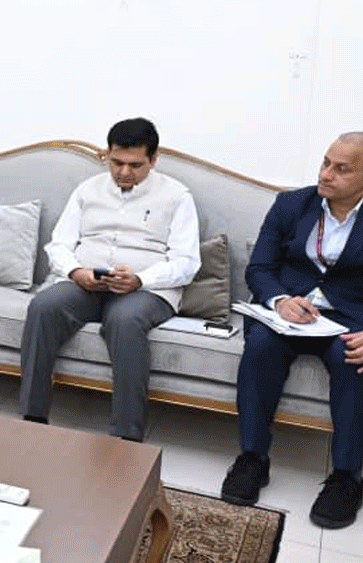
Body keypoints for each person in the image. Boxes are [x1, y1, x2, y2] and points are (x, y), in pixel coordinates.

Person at [19, 118, 200, 441]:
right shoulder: (87, 190)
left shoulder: (177, 196)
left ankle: (127, 437)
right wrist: (77, 272)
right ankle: (32, 418)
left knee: (125, 320)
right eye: (116, 162)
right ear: (107, 154)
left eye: (135, 165)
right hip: (87, 282)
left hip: (146, 289)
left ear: (154, 159)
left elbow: (187, 263)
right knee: (43, 306)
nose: (124, 172)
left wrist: (140, 280)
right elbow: (58, 244)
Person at [220, 132, 363, 529]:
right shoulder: (291, 204)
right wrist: (280, 300)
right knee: (260, 346)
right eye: (325, 162)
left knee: (352, 359)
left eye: (342, 169)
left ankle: (346, 476)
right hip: (288, 313)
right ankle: (253, 458)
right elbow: (259, 268)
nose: (326, 174)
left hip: (349, 317)